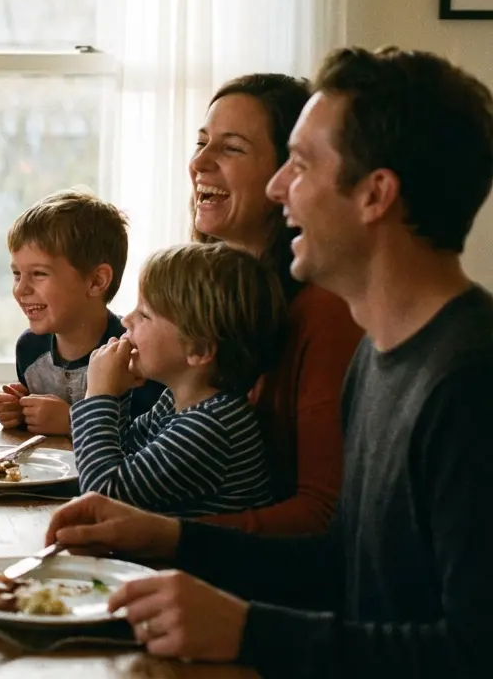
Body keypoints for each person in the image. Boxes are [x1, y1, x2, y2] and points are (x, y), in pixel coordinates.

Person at [45, 46, 493, 676]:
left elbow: (473, 655)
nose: (281, 185)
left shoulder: (470, 386)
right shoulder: (383, 359)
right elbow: (341, 560)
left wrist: (250, 630)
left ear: (375, 195)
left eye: (301, 166)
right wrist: (167, 536)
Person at [189, 73, 363, 535]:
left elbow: (324, 514)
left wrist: (166, 533)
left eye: (231, 148)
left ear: (288, 175)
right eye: (201, 142)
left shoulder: (326, 311)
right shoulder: (200, 296)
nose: (199, 162)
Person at [71, 243, 285, 516]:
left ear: (198, 350)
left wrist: (100, 395)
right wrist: (118, 391)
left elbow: (103, 495)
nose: (126, 320)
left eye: (145, 314)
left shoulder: (211, 427)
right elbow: (121, 455)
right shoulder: (175, 401)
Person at [0, 188, 164, 434]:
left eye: (39, 274)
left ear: (96, 281)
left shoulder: (136, 354)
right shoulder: (29, 349)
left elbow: (148, 441)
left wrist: (73, 422)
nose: (21, 289)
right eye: (17, 274)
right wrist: (21, 411)